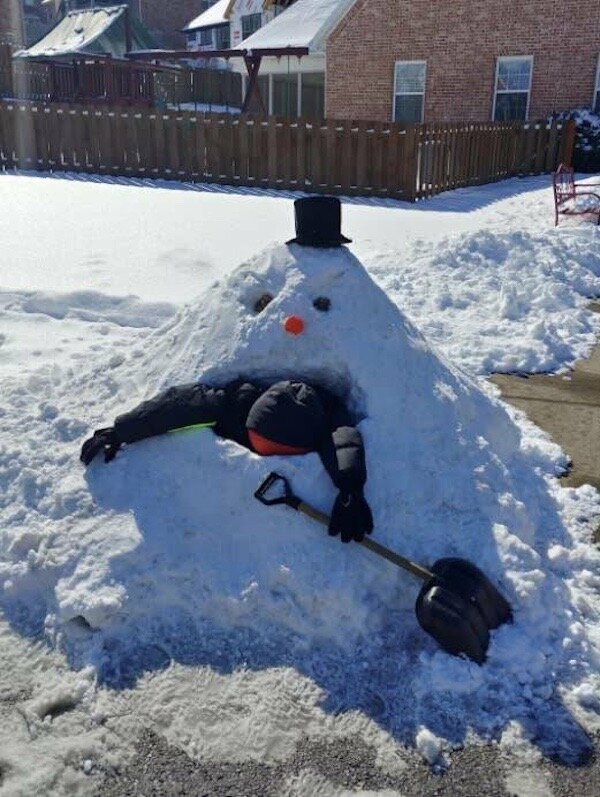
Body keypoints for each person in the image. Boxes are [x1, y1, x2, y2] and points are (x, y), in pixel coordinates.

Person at [80, 198, 373, 544]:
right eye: (257, 445)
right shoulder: (235, 406)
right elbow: (181, 406)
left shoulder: (327, 418)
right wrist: (122, 430)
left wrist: (351, 489)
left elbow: (342, 440)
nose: (262, 455)